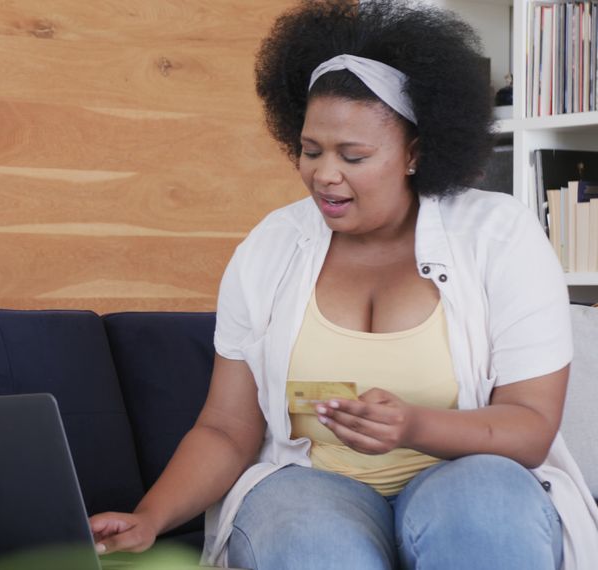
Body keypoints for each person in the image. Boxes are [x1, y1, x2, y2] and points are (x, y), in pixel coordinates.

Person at [88, 1, 598, 568]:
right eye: (311, 150)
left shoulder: (498, 236)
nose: (324, 174)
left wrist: (414, 425)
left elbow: (528, 427)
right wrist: (150, 517)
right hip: (314, 484)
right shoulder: (270, 249)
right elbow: (227, 430)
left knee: (484, 510)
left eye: (353, 155)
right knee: (310, 542)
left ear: (415, 153)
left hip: (466, 477)